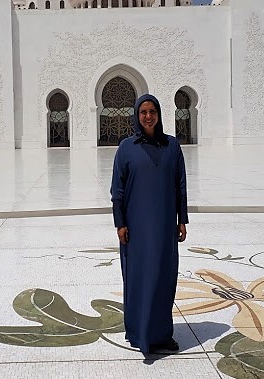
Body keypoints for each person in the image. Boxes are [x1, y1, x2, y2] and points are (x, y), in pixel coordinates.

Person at [110, 93, 188, 354]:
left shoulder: (172, 146)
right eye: (143, 112)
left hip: (165, 225)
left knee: (164, 277)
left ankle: (162, 334)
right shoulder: (126, 148)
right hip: (136, 228)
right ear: (136, 115)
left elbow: (180, 186)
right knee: (139, 277)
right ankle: (137, 331)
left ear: (159, 114)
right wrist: (120, 223)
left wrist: (182, 219)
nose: (148, 116)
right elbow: (117, 190)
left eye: (152, 111)